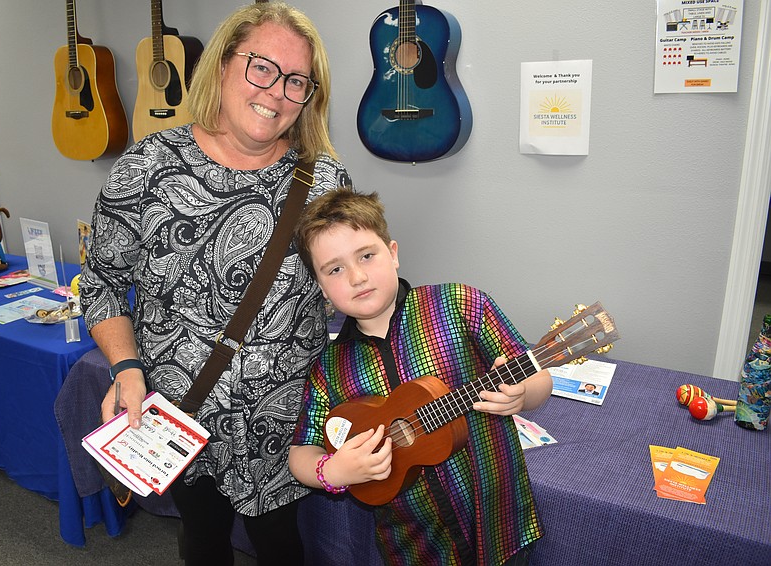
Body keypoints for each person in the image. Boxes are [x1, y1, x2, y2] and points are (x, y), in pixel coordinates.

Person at [78, 3, 351, 565]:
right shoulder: (147, 167)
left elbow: (349, 281)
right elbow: (101, 281)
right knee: (202, 540)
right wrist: (126, 368)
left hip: (284, 422)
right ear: (223, 65)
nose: (275, 93)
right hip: (183, 414)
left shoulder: (324, 178)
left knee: (282, 545)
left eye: (296, 81)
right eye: (261, 68)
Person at [289, 189, 551, 566]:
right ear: (320, 285)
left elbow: (539, 378)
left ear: (392, 253)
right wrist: (333, 470)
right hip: (414, 545)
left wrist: (522, 395)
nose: (357, 276)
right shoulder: (330, 366)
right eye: (335, 269)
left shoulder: (461, 304)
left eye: (367, 255)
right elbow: (302, 451)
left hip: (497, 521)